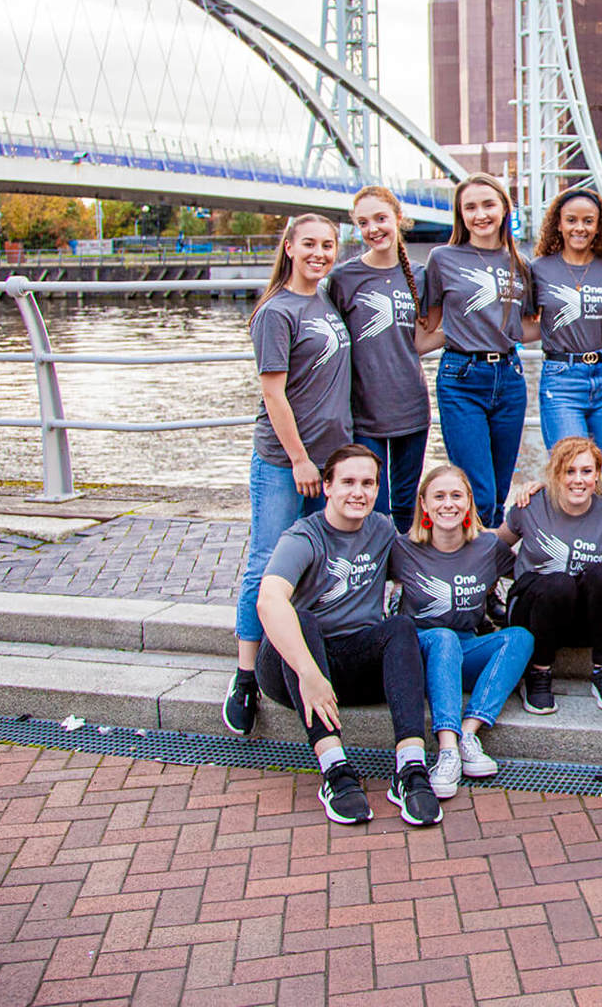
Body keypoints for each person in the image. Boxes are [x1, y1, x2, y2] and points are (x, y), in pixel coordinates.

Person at [253, 445, 441, 828]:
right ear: (327, 487)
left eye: (368, 483)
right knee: (301, 620)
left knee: (401, 628)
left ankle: (411, 769)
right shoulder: (304, 536)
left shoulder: (382, 529)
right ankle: (335, 771)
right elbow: (268, 601)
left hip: (354, 663)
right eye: (348, 482)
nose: (359, 492)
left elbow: (436, 550)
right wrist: (309, 674)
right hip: (294, 670)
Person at [226, 214, 353, 736]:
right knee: (266, 562)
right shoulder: (277, 311)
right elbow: (273, 394)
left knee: (313, 565)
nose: (320, 253)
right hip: (286, 464)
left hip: (329, 463)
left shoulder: (324, 301)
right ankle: (245, 676)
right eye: (310, 244)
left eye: (328, 245)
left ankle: (298, 661)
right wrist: (299, 458)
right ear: (289, 247)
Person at [398, 464, 532, 800]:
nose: (448, 504)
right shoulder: (402, 549)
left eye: (456, 496)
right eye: (439, 496)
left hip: (463, 648)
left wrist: (539, 493)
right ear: (424, 504)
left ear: (468, 501)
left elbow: (531, 572)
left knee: (520, 638)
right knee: (442, 638)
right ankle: (446, 750)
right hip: (420, 650)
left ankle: (470, 734)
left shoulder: (487, 547)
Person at [423, 174, 531, 531]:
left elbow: (528, 325)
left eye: (488, 204)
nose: (480, 214)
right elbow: (429, 327)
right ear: (460, 214)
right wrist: (458, 332)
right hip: (462, 377)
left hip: (510, 378)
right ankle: (471, 571)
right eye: (470, 207)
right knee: (478, 491)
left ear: (504, 209)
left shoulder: (521, 263)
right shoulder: (443, 258)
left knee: (499, 492)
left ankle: (481, 571)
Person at [498, 436, 602, 716]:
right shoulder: (530, 505)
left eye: (586, 471)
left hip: (576, 617)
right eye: (569, 471)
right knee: (558, 583)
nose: (578, 480)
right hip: (531, 613)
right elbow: (493, 549)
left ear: (597, 475)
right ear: (555, 474)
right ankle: (538, 672)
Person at [329, 187, 432, 533]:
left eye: (380, 219)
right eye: (363, 222)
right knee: (371, 502)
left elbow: (417, 340)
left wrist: (469, 329)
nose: (373, 228)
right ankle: (371, 575)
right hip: (364, 409)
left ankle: (402, 576)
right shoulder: (344, 279)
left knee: (405, 503)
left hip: (411, 406)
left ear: (398, 220)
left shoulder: (419, 276)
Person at [528, 187, 602, 474]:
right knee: (571, 470)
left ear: (599, 226)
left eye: (588, 221)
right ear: (558, 224)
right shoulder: (539, 269)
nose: (579, 228)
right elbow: (524, 322)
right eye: (571, 220)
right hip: (561, 380)